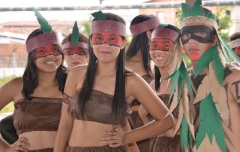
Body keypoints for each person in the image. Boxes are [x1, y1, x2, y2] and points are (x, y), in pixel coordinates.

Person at [54, 11, 174, 152]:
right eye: (99, 38)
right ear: (91, 41)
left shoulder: (132, 80)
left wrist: (126, 137)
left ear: (123, 43)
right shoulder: (76, 74)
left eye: (112, 39)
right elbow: (65, 124)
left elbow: (167, 120)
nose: (105, 45)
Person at [178, 0, 240, 152]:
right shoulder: (184, 78)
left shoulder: (234, 77)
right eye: (187, 35)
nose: (192, 41)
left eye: (201, 33)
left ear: (214, 40)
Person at [0, 10, 67, 151]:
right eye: (42, 51)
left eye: (55, 49)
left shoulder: (72, 83)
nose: (50, 56)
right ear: (31, 57)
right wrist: (4, 148)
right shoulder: (16, 86)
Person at [139, 24, 186, 152]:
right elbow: (150, 127)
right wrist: (143, 116)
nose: (158, 52)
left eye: (166, 46)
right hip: (157, 146)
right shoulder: (153, 85)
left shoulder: (187, 82)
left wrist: (163, 127)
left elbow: (196, 124)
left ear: (179, 49)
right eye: (154, 46)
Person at [126, 14, 160, 151]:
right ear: (149, 35)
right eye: (159, 33)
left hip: (159, 127)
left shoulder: (159, 63)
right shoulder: (120, 65)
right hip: (129, 129)